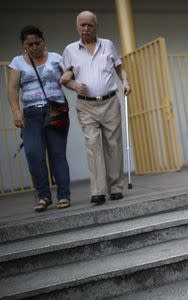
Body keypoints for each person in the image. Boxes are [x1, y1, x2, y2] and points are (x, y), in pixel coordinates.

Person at [61, 11, 131, 205]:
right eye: (82, 25)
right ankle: (98, 191)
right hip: (86, 105)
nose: (86, 29)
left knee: (113, 145)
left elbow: (119, 67)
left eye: (90, 25)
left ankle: (115, 188)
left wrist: (125, 81)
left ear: (96, 26)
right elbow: (66, 77)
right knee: (93, 144)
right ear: (77, 27)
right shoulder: (70, 50)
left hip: (109, 102)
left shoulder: (107, 44)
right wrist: (74, 85)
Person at [7, 25, 71, 212]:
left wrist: (69, 74)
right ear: (23, 45)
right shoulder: (17, 62)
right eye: (30, 44)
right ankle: (43, 196)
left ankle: (64, 195)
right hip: (31, 113)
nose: (34, 47)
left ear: (44, 41)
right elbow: (12, 89)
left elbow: (71, 72)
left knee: (57, 155)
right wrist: (16, 112)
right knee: (33, 154)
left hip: (56, 110)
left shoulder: (57, 58)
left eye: (37, 43)